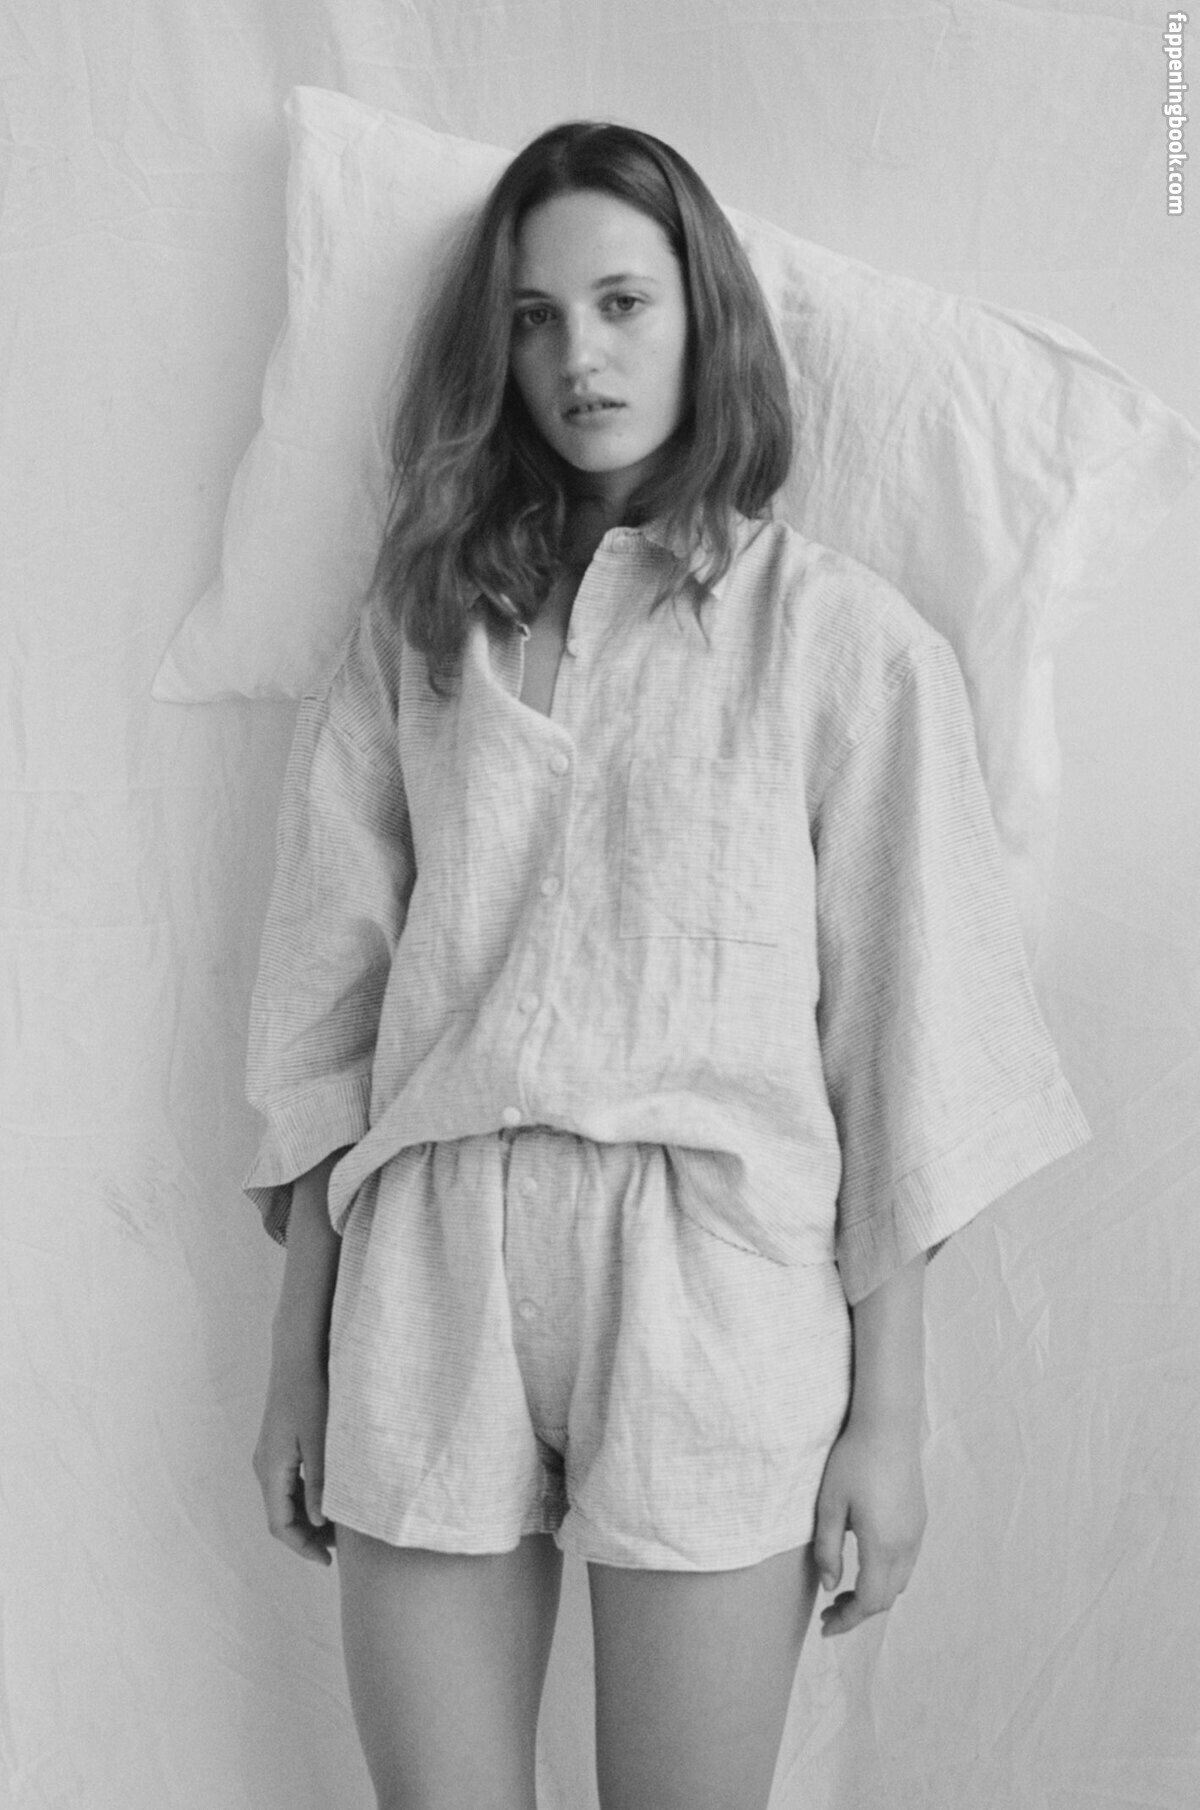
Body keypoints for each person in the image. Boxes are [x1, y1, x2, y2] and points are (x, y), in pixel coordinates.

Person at [243, 121, 1091, 1810]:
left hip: (716, 1277)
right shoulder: (419, 636)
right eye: (536, 317)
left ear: (705, 316)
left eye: (623, 302)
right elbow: (330, 1009)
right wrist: (298, 1363)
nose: (581, 355)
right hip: (433, 1269)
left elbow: (902, 1050)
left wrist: (889, 1421)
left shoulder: (842, 645)